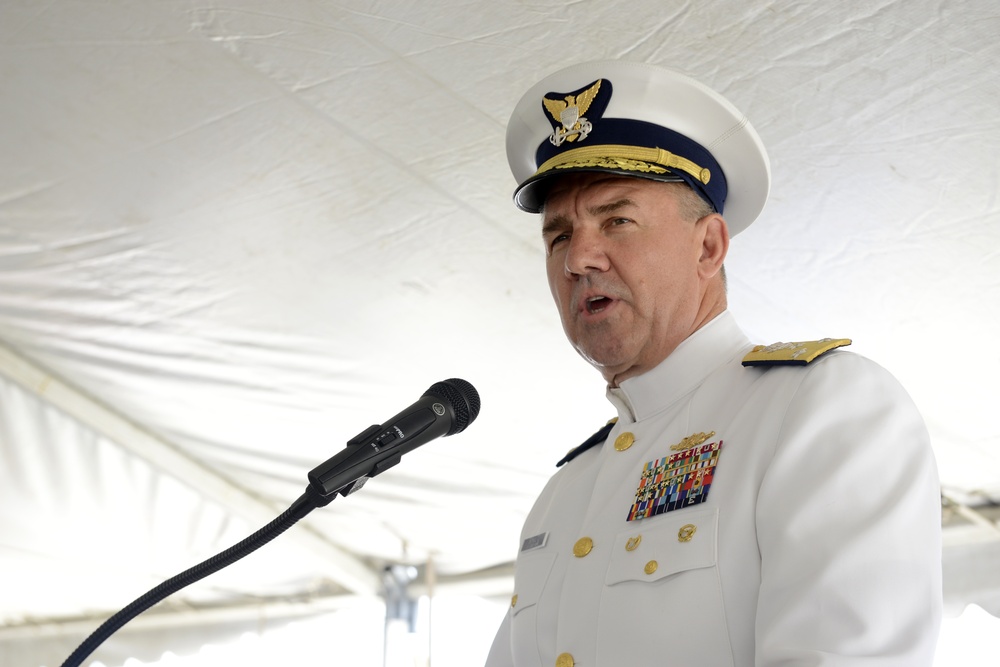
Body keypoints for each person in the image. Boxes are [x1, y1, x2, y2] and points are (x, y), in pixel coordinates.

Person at [485, 61, 942, 667]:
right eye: (558, 236)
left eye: (616, 219)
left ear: (708, 246)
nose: (578, 259)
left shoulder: (822, 406)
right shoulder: (566, 491)